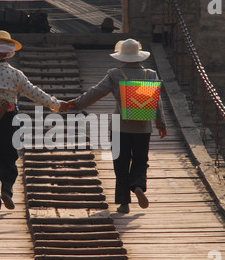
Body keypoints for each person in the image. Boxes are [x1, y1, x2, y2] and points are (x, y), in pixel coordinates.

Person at [0, 30, 69, 215]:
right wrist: (55, 104)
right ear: (8, 53)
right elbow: (34, 93)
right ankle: (6, 188)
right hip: (9, 119)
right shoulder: (16, 75)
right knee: (10, 156)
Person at [65, 39, 167, 213]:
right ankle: (138, 185)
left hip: (120, 126)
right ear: (140, 57)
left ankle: (123, 203)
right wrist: (161, 123)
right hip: (143, 127)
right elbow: (157, 102)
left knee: (121, 163)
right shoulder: (150, 75)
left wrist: (76, 103)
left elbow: (96, 92)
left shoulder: (115, 74)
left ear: (122, 57)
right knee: (141, 160)